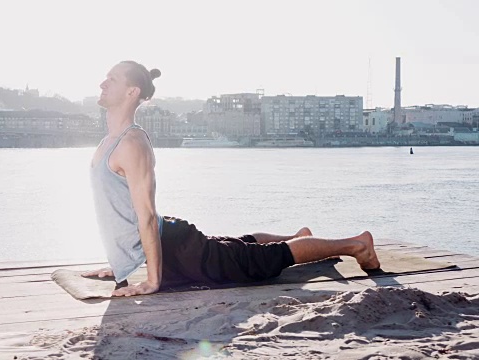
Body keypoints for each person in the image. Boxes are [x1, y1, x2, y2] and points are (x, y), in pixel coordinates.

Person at [83, 61, 380, 297]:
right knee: (237, 246)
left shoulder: (132, 143)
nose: (102, 83)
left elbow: (145, 216)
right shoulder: (109, 141)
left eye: (112, 79)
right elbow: (116, 212)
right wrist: (122, 264)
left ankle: (356, 245)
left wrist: (152, 281)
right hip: (169, 242)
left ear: (132, 92)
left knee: (258, 261)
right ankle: (300, 237)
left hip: (176, 249)